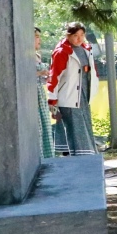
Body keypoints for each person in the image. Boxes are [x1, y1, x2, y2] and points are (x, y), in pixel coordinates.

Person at [47, 22, 99, 156]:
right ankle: (80, 157)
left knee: (84, 126)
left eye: (82, 35)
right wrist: (52, 99)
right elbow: (54, 77)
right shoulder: (62, 52)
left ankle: (86, 155)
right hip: (68, 96)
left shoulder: (85, 49)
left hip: (83, 95)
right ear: (68, 36)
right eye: (75, 35)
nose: (79, 38)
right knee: (75, 127)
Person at [33, 27, 54, 159]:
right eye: (36, 37)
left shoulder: (37, 56)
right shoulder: (23, 56)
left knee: (44, 126)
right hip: (32, 95)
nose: (39, 40)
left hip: (40, 93)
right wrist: (39, 73)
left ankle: (47, 158)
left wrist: (45, 76)